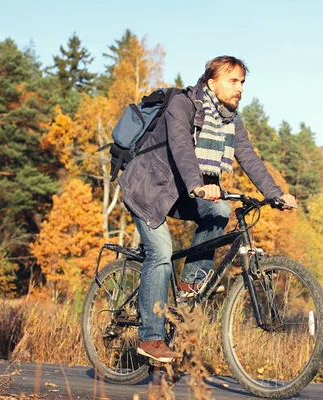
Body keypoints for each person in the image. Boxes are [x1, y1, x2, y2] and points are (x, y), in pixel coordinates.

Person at [118, 56, 296, 363]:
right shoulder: (183, 106)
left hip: (178, 191)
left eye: (242, 82)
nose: (239, 88)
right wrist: (198, 184)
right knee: (160, 253)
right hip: (147, 189)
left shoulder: (230, 120)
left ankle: (190, 282)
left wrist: (275, 194)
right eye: (233, 81)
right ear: (212, 82)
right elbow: (181, 148)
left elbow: (249, 158)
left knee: (221, 211)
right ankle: (150, 338)